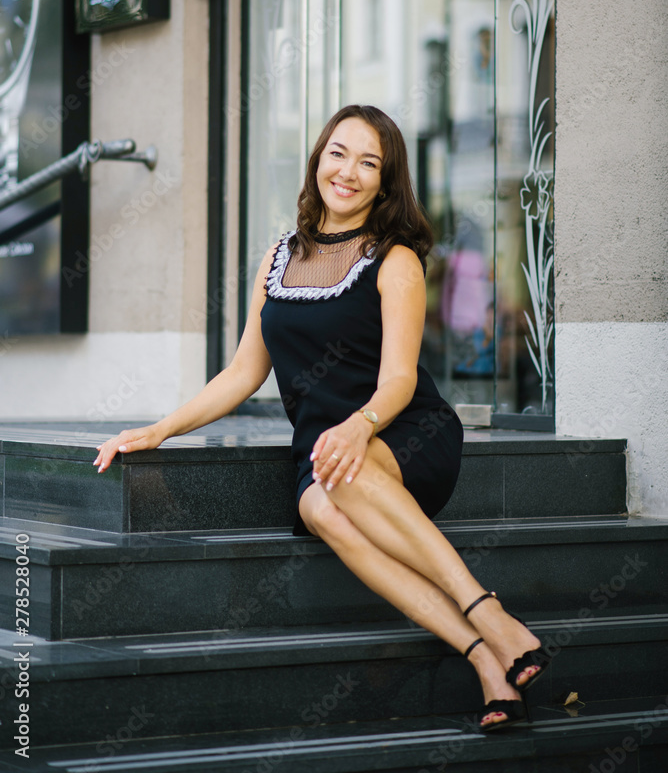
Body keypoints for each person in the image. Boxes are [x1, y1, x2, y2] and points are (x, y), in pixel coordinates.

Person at [93, 104, 549, 732]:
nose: (349, 172)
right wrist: (160, 428)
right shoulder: (280, 256)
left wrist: (362, 424)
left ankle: (492, 616)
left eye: (370, 163)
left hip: (404, 432)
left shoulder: (395, 260)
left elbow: (399, 379)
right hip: (325, 451)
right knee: (317, 504)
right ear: (317, 160)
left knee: (339, 479)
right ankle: (485, 661)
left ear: (386, 183)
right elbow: (243, 372)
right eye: (339, 153)